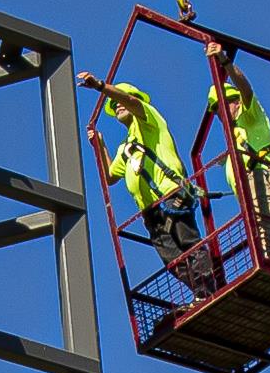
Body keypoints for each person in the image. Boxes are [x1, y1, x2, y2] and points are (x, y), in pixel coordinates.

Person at [84, 76, 214, 294]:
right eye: (114, 106)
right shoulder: (126, 147)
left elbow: (133, 104)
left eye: (120, 101)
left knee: (188, 242)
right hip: (151, 212)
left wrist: (101, 87)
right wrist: (100, 145)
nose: (117, 106)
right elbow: (110, 176)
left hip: (171, 194)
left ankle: (209, 288)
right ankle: (200, 292)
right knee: (171, 259)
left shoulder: (150, 118)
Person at [212, 56, 270, 272]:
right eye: (216, 109)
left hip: (259, 178)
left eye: (223, 104)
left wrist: (226, 63)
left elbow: (245, 88)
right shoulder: (236, 132)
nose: (220, 112)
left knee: (264, 229)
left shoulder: (250, 115)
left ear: (235, 101)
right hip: (255, 184)